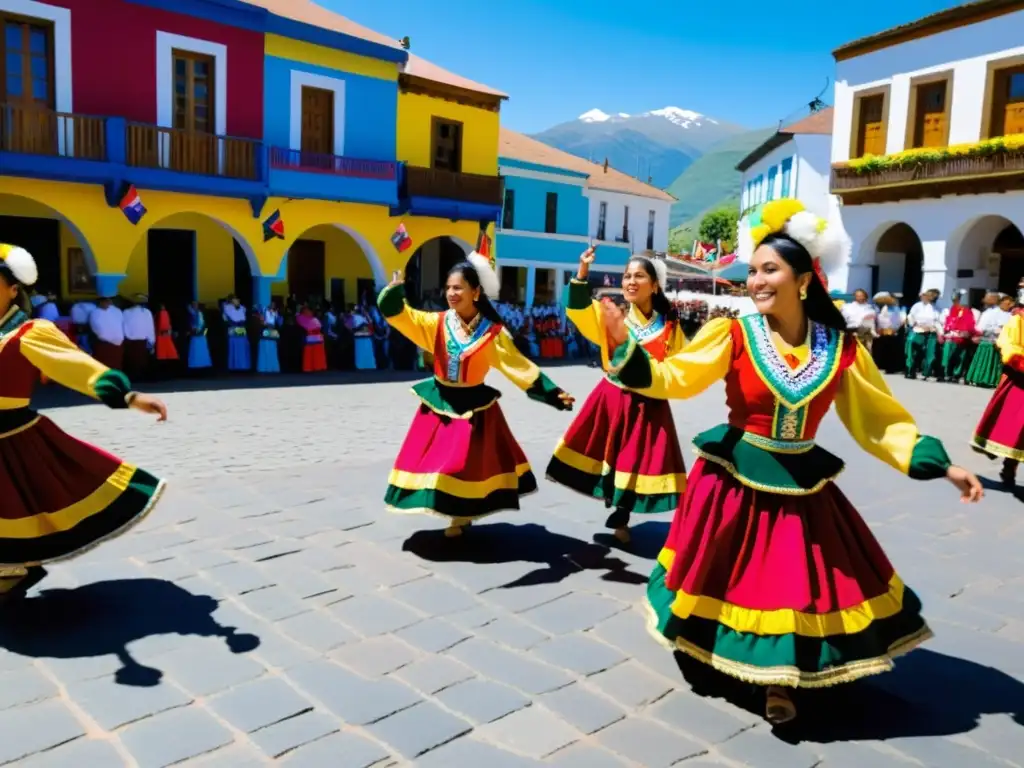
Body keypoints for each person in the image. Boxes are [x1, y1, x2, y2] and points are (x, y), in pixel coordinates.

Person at [605, 200, 982, 725]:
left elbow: (879, 420)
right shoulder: (732, 333)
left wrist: (938, 465)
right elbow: (677, 378)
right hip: (734, 480)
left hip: (803, 483)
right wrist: (626, 349)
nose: (755, 281)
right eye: (752, 271)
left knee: (792, 585)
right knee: (732, 580)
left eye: (769, 270)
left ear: (803, 279)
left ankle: (780, 683)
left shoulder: (842, 349)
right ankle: (751, 668)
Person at [0, 244, 169, 601]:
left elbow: (79, 368)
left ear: (14, 289)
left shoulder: (29, 333)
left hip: (12, 436)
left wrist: (128, 396)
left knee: (21, 504)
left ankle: (13, 570)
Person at [379, 255, 575, 538]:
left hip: (474, 408)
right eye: (448, 288)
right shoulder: (436, 323)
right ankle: (456, 514)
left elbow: (518, 366)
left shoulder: (492, 334)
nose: (451, 294)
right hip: (439, 404)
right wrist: (394, 293)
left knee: (463, 465)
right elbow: (400, 315)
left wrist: (552, 393)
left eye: (458, 288)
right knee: (436, 463)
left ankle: (460, 515)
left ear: (476, 292)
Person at [547, 250, 688, 543]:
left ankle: (622, 511)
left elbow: (682, 365)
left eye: (639, 276)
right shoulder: (612, 316)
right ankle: (617, 504)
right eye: (627, 276)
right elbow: (579, 309)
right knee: (609, 453)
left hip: (648, 403)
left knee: (636, 459)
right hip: (611, 398)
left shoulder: (669, 328)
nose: (631, 282)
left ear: (655, 285)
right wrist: (583, 271)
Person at [971, 299, 1024, 488]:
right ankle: (999, 452)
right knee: (1012, 422)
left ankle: (1009, 465)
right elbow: (1008, 345)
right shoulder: (1017, 320)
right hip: (1019, 379)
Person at [966, 293, 1011, 388]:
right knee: (986, 361)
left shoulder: (999, 313)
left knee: (990, 361)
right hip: (987, 340)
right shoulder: (990, 312)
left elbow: (1000, 327)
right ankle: (981, 378)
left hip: (992, 340)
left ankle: (985, 379)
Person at [940, 289, 976, 383]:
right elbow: (945, 323)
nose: (956, 302)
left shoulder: (967, 311)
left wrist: (966, 332)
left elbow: (970, 324)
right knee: (947, 355)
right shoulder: (948, 310)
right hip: (950, 336)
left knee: (960, 356)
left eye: (957, 299)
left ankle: (956, 374)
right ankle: (946, 373)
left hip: (961, 337)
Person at [905, 289, 941, 380]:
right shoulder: (917, 306)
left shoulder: (936, 308)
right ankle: (910, 371)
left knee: (930, 353)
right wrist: (915, 324)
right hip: (918, 330)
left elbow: (937, 321)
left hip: (930, 332)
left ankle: (926, 372)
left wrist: (938, 331)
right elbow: (910, 317)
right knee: (912, 348)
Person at [122, 294, 155, 381]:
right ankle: (139, 377)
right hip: (138, 341)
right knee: (138, 361)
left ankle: (135, 377)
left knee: (134, 360)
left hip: (133, 341)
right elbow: (150, 328)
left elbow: (124, 327)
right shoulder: (146, 312)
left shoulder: (126, 312)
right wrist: (151, 341)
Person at [89, 295, 125, 371]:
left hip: (117, 344)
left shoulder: (117, 311)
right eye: (105, 301)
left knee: (115, 366)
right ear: (100, 302)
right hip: (104, 344)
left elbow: (121, 324)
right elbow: (96, 329)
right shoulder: (95, 312)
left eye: (109, 301)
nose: (108, 303)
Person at [872, 291, 904, 373]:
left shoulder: (896, 308)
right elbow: (878, 318)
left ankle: (890, 367)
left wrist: (893, 329)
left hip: (891, 331)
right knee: (880, 348)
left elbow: (896, 320)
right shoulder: (879, 307)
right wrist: (878, 328)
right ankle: (880, 365)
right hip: (881, 330)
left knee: (891, 349)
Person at [222, 295, 250, 372]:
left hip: (241, 330)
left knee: (242, 348)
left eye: (237, 299)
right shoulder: (227, 308)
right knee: (233, 348)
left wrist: (241, 323)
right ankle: (234, 366)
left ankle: (243, 366)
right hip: (233, 330)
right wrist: (233, 323)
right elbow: (226, 320)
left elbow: (244, 319)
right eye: (234, 299)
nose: (236, 301)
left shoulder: (243, 308)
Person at [297, 305, 327, 373]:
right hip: (309, 338)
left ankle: (318, 366)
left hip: (318, 338)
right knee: (309, 353)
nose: (308, 312)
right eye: (306, 310)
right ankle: (308, 367)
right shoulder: (300, 318)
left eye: (309, 310)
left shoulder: (315, 319)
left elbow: (319, 327)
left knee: (318, 353)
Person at [186, 301, 212, 372]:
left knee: (202, 350)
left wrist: (203, 333)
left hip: (201, 335)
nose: (195, 306)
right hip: (194, 336)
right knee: (195, 351)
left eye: (196, 305)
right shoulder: (191, 314)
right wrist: (191, 331)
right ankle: (195, 367)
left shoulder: (200, 314)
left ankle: (203, 366)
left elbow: (205, 326)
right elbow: (190, 324)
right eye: (193, 305)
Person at [257, 303, 282, 374]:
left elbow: (279, 322)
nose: (272, 306)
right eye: (271, 305)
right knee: (265, 348)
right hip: (265, 331)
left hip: (272, 331)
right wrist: (264, 323)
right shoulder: (264, 311)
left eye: (274, 305)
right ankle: (264, 367)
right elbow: (261, 321)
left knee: (272, 348)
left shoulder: (275, 313)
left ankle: (272, 367)